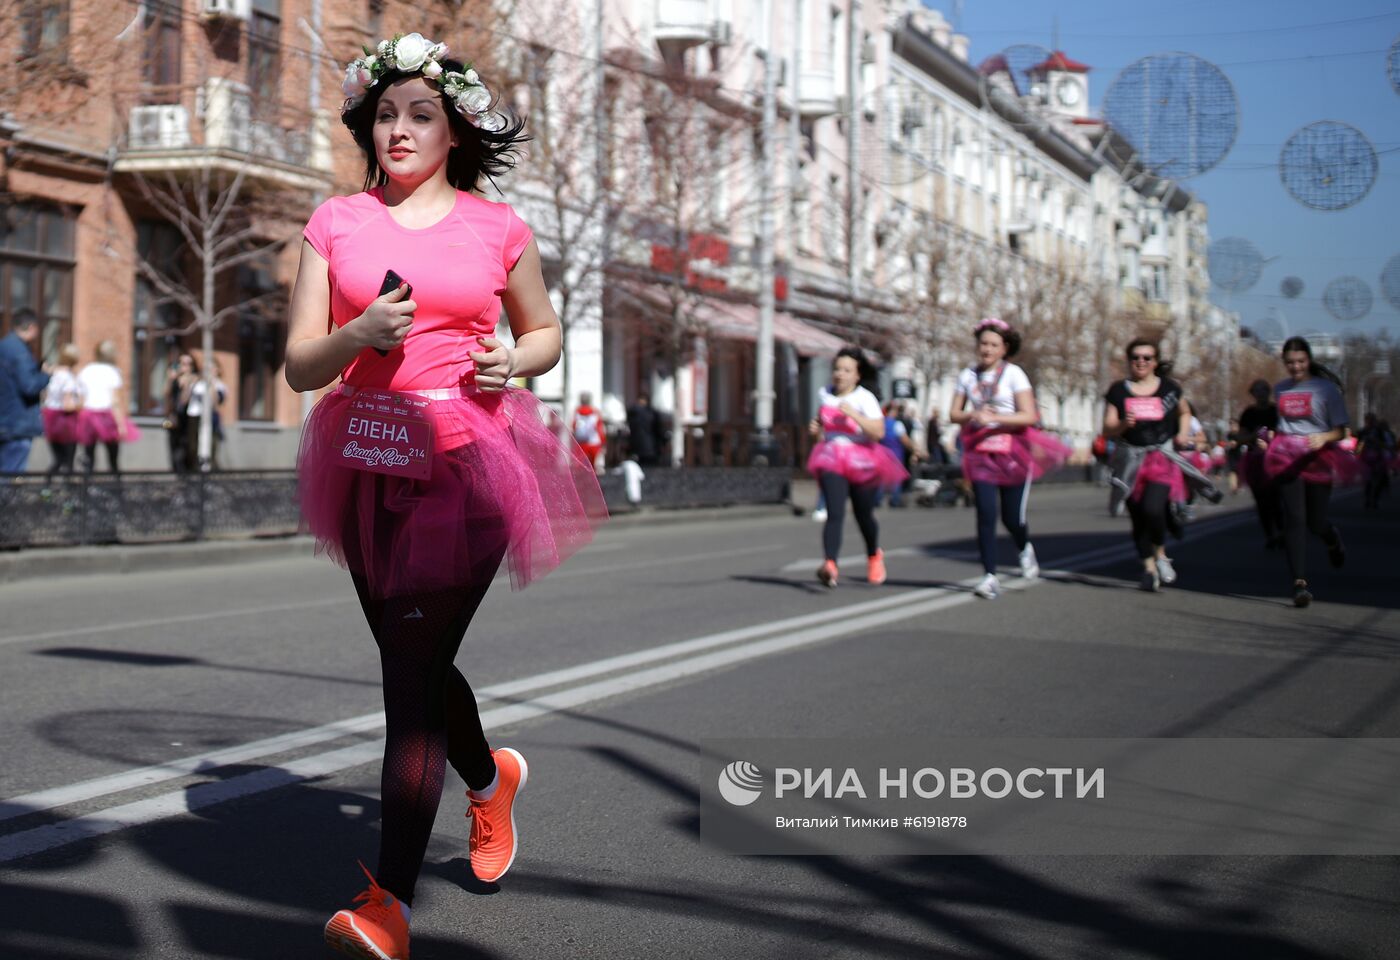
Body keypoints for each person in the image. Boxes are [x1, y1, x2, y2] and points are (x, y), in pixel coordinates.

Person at [285, 34, 606, 960]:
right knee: (410, 659)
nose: (399, 129)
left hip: (469, 455)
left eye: (420, 114)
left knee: (406, 682)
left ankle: (389, 903)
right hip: (363, 452)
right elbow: (301, 358)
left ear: (456, 131)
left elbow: (541, 328)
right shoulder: (335, 221)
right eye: (385, 114)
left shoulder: (495, 228)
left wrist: (517, 356)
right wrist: (358, 332)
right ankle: (488, 777)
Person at [949, 318, 1069, 600]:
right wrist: (972, 415)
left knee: (1011, 517)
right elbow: (953, 414)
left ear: (1004, 348)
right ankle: (989, 576)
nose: (987, 349)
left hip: (1013, 448)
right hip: (981, 450)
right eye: (983, 344)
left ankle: (1024, 546)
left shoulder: (1014, 374)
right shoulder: (967, 375)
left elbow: (1029, 415)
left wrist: (997, 417)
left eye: (993, 345)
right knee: (985, 513)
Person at [1103, 338, 1220, 592]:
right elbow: (1107, 428)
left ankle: (1161, 553)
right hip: (1130, 460)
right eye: (1135, 357)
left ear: (1155, 361)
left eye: (1146, 357)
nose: (1140, 362)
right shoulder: (1118, 390)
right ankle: (1148, 568)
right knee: (1137, 517)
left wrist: (1182, 433)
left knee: (1154, 509)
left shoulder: (1169, 389)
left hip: (1160, 458)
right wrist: (1124, 424)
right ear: (1129, 361)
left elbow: (1185, 412)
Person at [1261, 337, 1358, 608]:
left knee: (1316, 522)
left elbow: (1342, 430)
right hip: (1287, 457)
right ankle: (1299, 583)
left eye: (1301, 362)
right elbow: (1275, 425)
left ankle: (1332, 538)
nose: (1295, 367)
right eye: (1290, 363)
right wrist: (1266, 437)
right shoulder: (1280, 389)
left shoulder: (1326, 389)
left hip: (1318, 455)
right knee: (1294, 518)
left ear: (1309, 360)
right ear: (1284, 363)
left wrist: (1324, 437)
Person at [805, 346, 906, 587]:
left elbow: (878, 432)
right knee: (834, 512)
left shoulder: (864, 398)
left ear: (857, 375)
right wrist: (815, 430)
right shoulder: (825, 394)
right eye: (837, 369)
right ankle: (830, 564)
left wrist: (855, 415)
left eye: (847, 370)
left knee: (863, 515)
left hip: (863, 459)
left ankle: (874, 554)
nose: (840, 374)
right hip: (831, 457)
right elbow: (825, 429)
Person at [1231, 379, 1282, 549]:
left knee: (1275, 498)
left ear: (1269, 392)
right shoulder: (1249, 413)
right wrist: (1252, 437)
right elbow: (1241, 437)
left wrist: (1271, 441)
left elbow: (1284, 434)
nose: (1260, 393)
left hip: (1275, 458)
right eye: (1257, 390)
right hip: (1254, 459)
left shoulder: (1276, 411)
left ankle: (1282, 531)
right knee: (1261, 500)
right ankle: (1269, 534)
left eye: (1264, 390)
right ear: (1253, 393)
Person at [0, 310, 51, 474]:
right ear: (32, 327)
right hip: (16, 424)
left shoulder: (5, 346)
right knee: (11, 473)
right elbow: (29, 386)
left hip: (6, 419)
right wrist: (46, 375)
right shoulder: (20, 351)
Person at [77, 340, 139, 475]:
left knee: (89, 454)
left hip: (88, 413)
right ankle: (115, 486)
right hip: (106, 414)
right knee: (113, 455)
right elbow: (115, 401)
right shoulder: (113, 372)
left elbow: (81, 398)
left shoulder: (86, 370)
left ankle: (87, 487)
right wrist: (121, 425)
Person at [42, 343, 84, 477]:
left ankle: (46, 488)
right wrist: (82, 404)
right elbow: (67, 405)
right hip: (65, 421)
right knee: (68, 461)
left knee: (58, 459)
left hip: (50, 417)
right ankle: (69, 493)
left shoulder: (53, 374)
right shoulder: (68, 378)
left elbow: (46, 397)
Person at [185, 357, 228, 470]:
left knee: (210, 447)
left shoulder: (220, 385)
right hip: (194, 416)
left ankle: (209, 472)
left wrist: (212, 382)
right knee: (193, 447)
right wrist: (190, 382)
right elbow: (184, 400)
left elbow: (216, 403)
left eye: (211, 368)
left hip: (210, 418)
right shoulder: (197, 383)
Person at [164, 353, 199, 473]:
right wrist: (170, 379)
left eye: (188, 364)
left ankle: (186, 473)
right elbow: (166, 395)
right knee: (173, 447)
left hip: (188, 420)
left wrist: (187, 385)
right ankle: (176, 472)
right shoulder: (174, 380)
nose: (185, 367)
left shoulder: (194, 380)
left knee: (186, 449)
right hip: (173, 419)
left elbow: (184, 400)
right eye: (182, 364)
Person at [875, 400, 913, 507]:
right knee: (896, 478)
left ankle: (877, 499)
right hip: (895, 454)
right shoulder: (897, 425)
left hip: (881, 454)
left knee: (881, 478)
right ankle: (895, 500)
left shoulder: (880, 423)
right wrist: (913, 448)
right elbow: (904, 440)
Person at [1356, 412, 1395, 510]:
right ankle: (1368, 499)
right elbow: (1358, 447)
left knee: (1378, 479)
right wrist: (1358, 451)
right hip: (1366, 458)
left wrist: (1377, 442)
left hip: (1378, 458)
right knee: (1368, 480)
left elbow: (1386, 444)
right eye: (1367, 420)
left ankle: (1375, 498)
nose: (1369, 422)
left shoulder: (1379, 431)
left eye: (1371, 420)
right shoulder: (1362, 432)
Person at [625, 392, 667, 466]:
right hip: (651, 447)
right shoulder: (652, 413)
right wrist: (663, 441)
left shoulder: (632, 413)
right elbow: (659, 430)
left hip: (635, 448)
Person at [572, 391, 606, 472]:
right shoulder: (595, 412)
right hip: (594, 441)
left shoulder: (577, 411)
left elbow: (574, 426)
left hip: (580, 442)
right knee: (593, 466)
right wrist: (603, 442)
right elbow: (599, 428)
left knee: (580, 466)